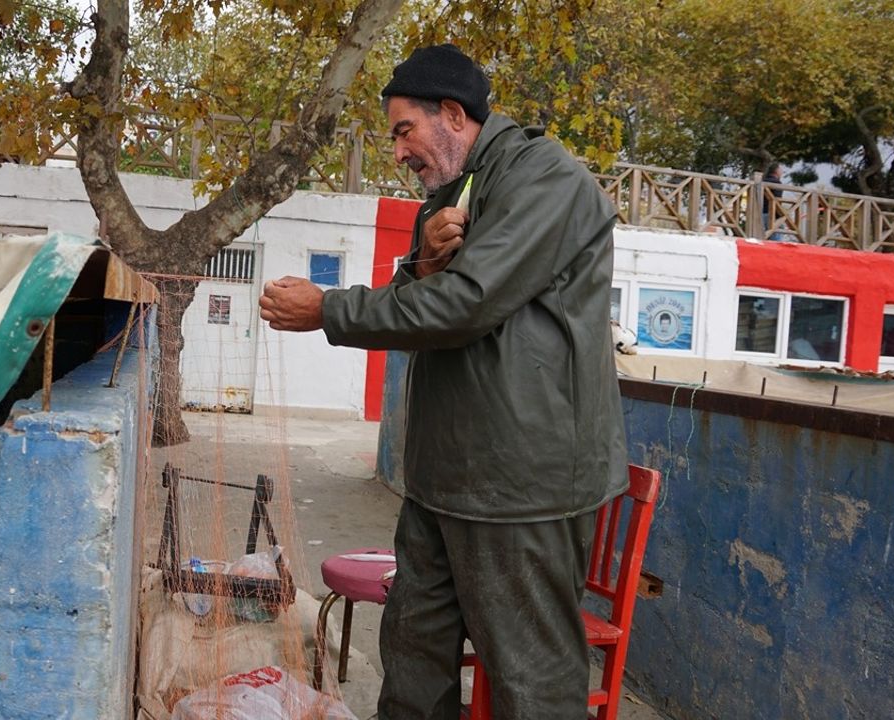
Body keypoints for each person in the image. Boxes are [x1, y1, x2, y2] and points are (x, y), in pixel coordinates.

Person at [259, 44, 627, 719]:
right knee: (413, 660)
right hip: (445, 480)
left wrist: (328, 309)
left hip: (522, 487)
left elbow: (467, 307)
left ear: (453, 115)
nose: (398, 152)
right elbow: (431, 299)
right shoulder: (457, 191)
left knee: (531, 681)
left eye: (404, 131)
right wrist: (422, 263)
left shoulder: (546, 179)